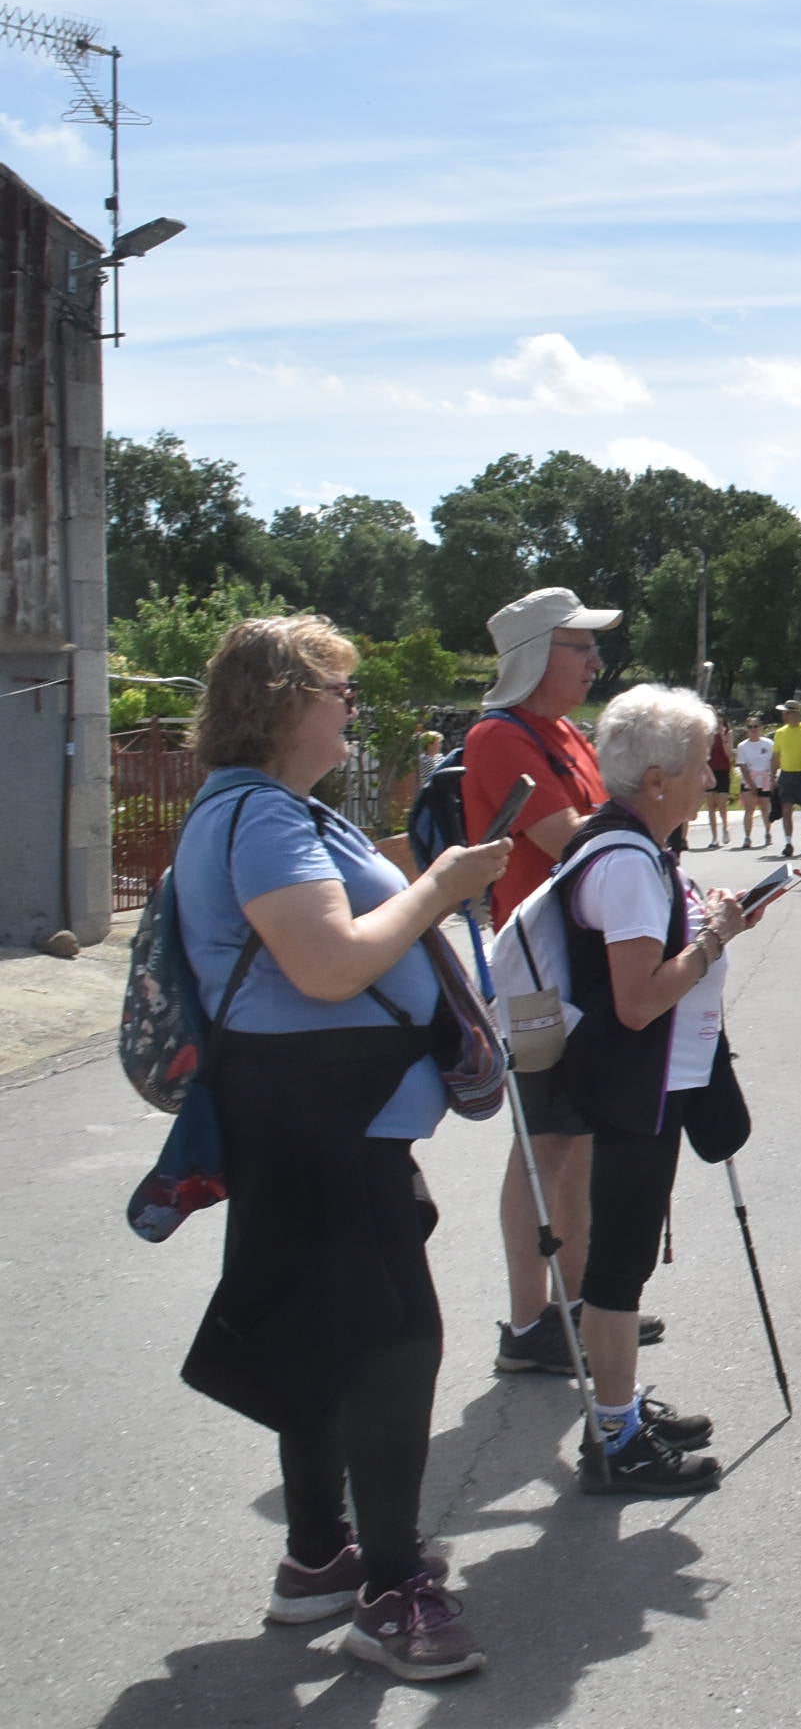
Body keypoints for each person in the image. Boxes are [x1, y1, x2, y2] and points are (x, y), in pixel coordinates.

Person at [173, 615, 514, 1679]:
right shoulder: (267, 817)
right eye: (339, 691)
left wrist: (424, 874)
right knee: (395, 1339)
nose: (352, 708)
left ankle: (320, 1551)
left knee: (325, 1332)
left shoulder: (268, 810)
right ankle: (392, 1585)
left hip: (319, 1111)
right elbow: (328, 965)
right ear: (283, 702)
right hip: (323, 1117)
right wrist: (442, 888)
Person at [538, 684, 759, 1493]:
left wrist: (709, 930)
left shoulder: (627, 846)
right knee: (619, 1264)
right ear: (660, 777)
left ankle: (620, 1413)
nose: (713, 778)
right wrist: (713, 941)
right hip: (635, 1083)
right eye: (703, 765)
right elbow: (637, 1000)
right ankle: (616, 1438)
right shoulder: (629, 862)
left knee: (621, 1259)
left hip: (637, 1082)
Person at [464, 589, 644, 1380]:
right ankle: (528, 1318)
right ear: (537, 654)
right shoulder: (498, 737)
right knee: (544, 1145)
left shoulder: (565, 733)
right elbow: (571, 838)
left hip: (582, 964)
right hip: (539, 972)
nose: (596, 662)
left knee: (579, 1141)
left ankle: (575, 1307)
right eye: (580, 648)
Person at [768, 703, 801, 857]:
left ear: (794, 713)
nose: (784, 716)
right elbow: (776, 756)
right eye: (784, 713)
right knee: (786, 809)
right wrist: (772, 776)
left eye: (786, 713)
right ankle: (788, 842)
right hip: (786, 775)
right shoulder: (780, 733)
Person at [735, 719, 777, 852]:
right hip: (749, 778)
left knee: (765, 808)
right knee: (749, 810)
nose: (753, 729)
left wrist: (772, 777)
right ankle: (747, 837)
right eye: (750, 727)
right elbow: (742, 766)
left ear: (760, 728)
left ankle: (768, 833)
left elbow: (773, 760)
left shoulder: (768, 743)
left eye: (755, 726)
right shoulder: (742, 746)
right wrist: (751, 784)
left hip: (764, 778)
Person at [702, 718, 734, 849]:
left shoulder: (728, 734)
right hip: (710, 771)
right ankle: (714, 837)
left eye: (720, 723)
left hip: (723, 771)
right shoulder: (707, 735)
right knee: (711, 806)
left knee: (721, 804)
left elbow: (729, 754)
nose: (718, 725)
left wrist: (723, 737)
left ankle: (725, 827)